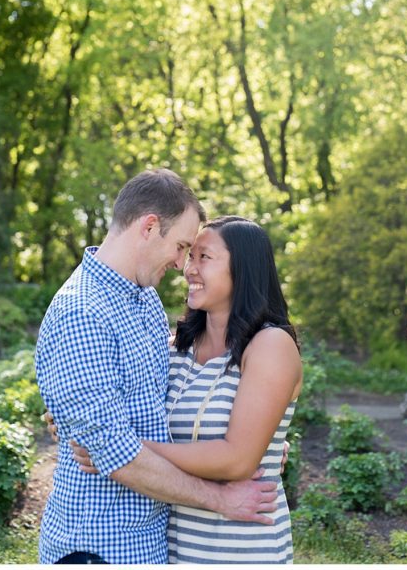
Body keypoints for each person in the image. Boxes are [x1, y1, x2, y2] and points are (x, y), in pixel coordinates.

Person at [35, 170, 278, 564]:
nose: (182, 264)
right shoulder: (80, 313)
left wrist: (262, 442)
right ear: (149, 227)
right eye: (182, 246)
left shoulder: (144, 300)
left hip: (150, 543)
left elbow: (169, 397)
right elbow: (116, 453)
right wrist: (222, 499)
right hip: (100, 548)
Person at [72, 216, 303, 562]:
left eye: (204, 258)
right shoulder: (174, 349)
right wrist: (73, 418)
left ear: (244, 269)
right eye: (189, 256)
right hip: (171, 551)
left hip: (243, 550)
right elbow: (105, 400)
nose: (188, 269)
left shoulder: (270, 345)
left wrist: (120, 451)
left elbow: (237, 459)